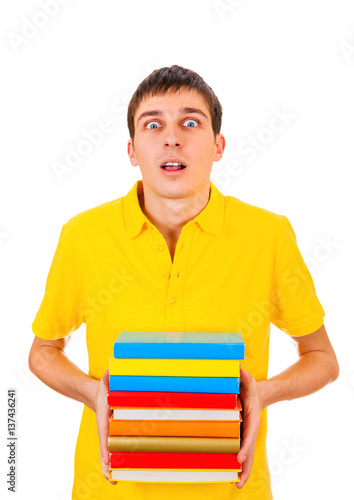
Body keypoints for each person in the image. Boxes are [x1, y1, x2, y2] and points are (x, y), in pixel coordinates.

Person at [29, 65, 339, 500]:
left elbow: (323, 357)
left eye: (190, 122)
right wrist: (92, 392)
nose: (171, 137)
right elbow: (43, 350)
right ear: (133, 150)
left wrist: (264, 394)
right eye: (152, 124)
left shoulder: (268, 235)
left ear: (218, 146)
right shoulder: (83, 236)